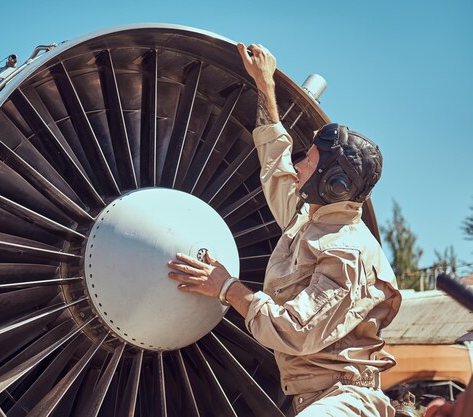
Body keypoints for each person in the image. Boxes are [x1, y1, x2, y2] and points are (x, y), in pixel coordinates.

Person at [167, 43, 402, 417]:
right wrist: (265, 86)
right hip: (312, 399)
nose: (298, 167)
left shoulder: (347, 252)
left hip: (346, 400)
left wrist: (226, 287)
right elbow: (274, 161)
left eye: (308, 162)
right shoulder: (308, 219)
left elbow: (295, 331)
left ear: (333, 185)